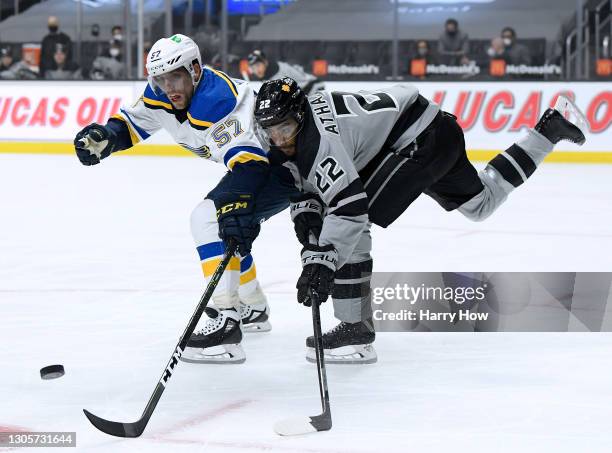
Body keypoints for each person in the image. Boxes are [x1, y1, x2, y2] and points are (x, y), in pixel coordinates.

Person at [253, 78, 588, 364]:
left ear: (299, 116)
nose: (280, 139)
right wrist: (310, 229)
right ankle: (547, 131)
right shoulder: (303, 125)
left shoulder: (318, 141)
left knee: (356, 218)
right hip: (434, 128)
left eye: (285, 129)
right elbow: (309, 186)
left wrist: (323, 262)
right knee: (480, 204)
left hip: (415, 144)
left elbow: (348, 208)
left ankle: (355, 329)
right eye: (272, 131)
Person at [73, 35, 300, 364]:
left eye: (175, 77)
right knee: (225, 226)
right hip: (256, 162)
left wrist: (234, 209)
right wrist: (107, 137)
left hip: (280, 164)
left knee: (208, 219)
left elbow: (250, 164)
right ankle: (253, 306)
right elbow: (136, 123)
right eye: (161, 79)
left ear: (195, 69)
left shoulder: (218, 100)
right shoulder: (163, 93)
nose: (169, 87)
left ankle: (227, 323)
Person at [247, 49, 324, 95]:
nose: (256, 70)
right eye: (253, 68)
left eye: (257, 65)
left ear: (265, 62)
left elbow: (286, 91)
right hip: (303, 91)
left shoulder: (277, 74)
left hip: (312, 88)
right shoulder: (268, 72)